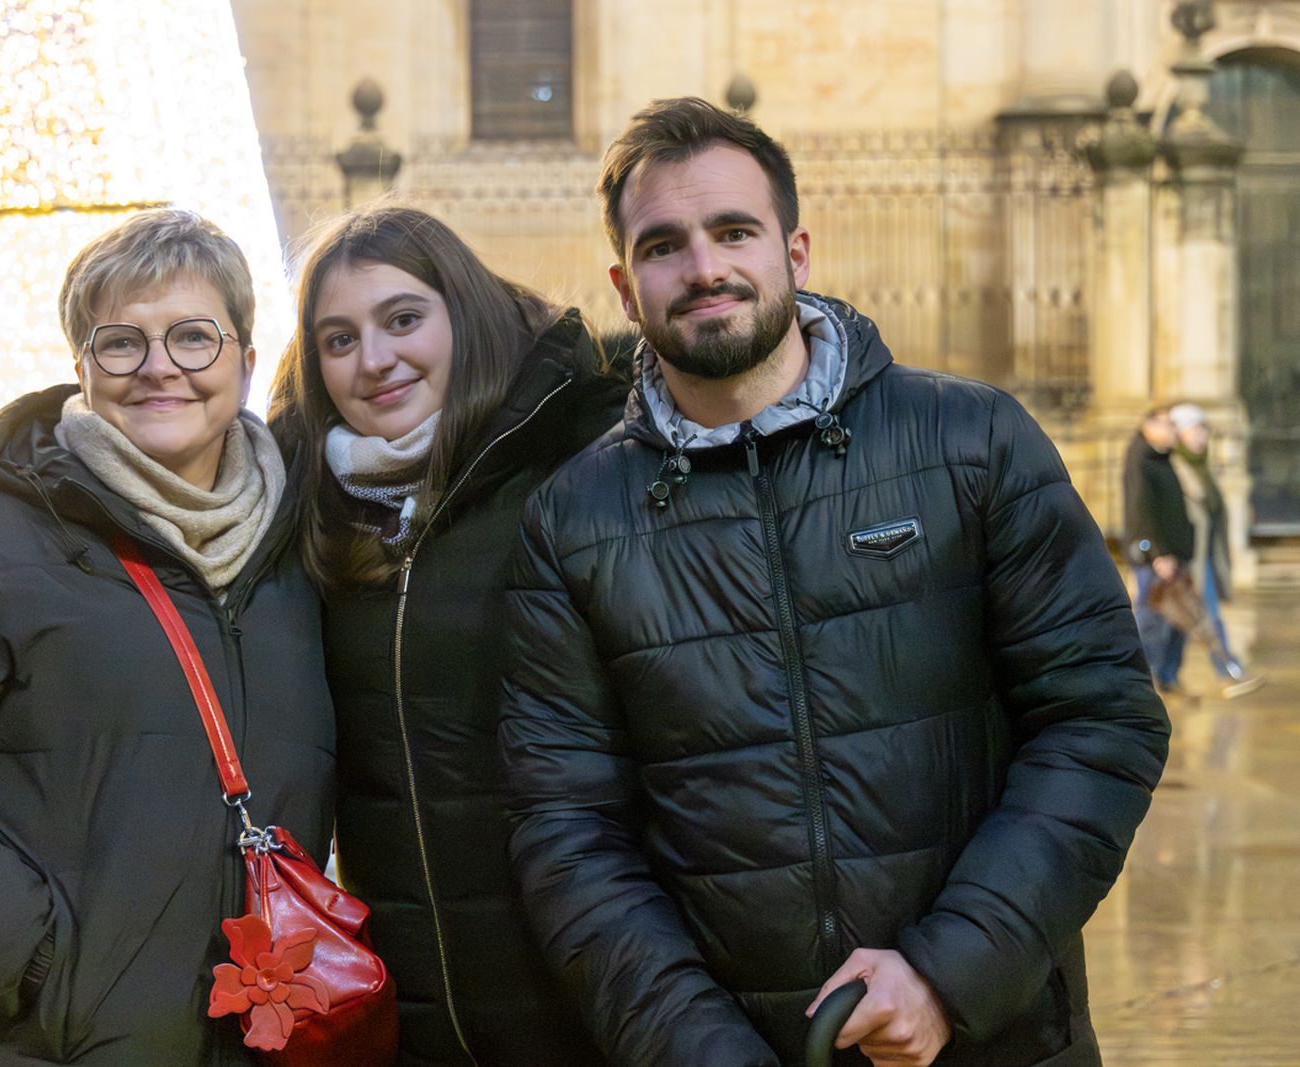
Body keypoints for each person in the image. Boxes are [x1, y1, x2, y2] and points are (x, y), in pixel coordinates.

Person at [499, 97, 1172, 1067]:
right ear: (623, 282)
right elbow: (567, 829)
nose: (703, 268)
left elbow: (1101, 719)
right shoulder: (573, 521)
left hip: (995, 1035)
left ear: (795, 250)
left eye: (734, 231)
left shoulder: (971, 443)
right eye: (663, 246)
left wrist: (948, 972)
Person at [0, 209, 335, 1064]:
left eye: (194, 337)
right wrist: (40, 963)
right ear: (82, 366)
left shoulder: (301, 558)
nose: (159, 368)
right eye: (122, 342)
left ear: (247, 362)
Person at [269, 204, 623, 1066]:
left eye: (402, 319)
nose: (376, 359)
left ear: (461, 312)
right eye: (339, 338)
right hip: (413, 1015)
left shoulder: (575, 466)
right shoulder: (306, 508)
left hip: (588, 1000)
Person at [1168, 403, 1265, 698]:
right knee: (1202, 615)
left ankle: (1164, 676)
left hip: (1205, 553)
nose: (1202, 437)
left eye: (1203, 430)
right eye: (1195, 430)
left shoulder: (1201, 467)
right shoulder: (1174, 466)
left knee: (1177, 622)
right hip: (1188, 555)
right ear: (1181, 433)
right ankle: (1228, 672)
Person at [1121, 405, 1194, 692]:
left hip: (1175, 553)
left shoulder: (1161, 457)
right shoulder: (1141, 458)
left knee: (1179, 617)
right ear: (1148, 425)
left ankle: (1167, 675)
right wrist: (1157, 553)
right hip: (1156, 556)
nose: (1173, 430)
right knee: (1151, 619)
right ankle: (1144, 678)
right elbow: (1142, 511)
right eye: (1168, 424)